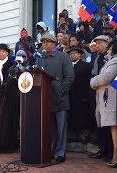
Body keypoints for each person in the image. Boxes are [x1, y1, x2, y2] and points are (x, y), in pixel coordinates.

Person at [40, 32, 74, 163]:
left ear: (54, 43)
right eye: (43, 42)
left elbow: (70, 77)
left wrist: (61, 91)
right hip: (45, 100)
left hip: (60, 99)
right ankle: (49, 150)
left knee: (61, 128)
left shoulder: (63, 57)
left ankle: (61, 153)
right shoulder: (41, 58)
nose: (45, 44)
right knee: (49, 128)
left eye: (48, 42)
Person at [90, 38, 117, 168]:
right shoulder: (110, 60)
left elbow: (106, 77)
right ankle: (112, 153)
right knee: (110, 127)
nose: (108, 50)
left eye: (109, 48)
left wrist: (92, 82)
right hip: (106, 98)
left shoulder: (115, 61)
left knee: (114, 127)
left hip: (111, 98)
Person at [88, 35, 113, 161]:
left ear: (106, 43)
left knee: (108, 122)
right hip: (96, 91)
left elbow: (107, 76)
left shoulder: (111, 57)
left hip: (107, 93)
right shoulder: (96, 56)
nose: (96, 45)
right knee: (99, 121)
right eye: (95, 43)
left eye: (99, 43)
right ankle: (102, 148)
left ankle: (110, 151)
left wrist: (94, 81)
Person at [67, 46, 91, 145]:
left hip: (81, 94)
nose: (72, 55)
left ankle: (83, 134)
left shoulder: (85, 65)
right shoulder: (67, 65)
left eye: (74, 53)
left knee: (82, 114)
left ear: (80, 55)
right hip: (70, 94)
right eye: (70, 53)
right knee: (71, 114)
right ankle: (73, 134)